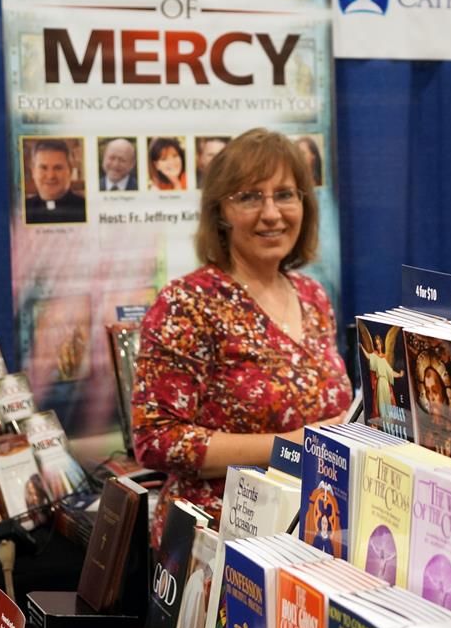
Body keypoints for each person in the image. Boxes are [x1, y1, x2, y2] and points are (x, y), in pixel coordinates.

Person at [132, 128, 351, 545]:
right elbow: (156, 439)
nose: (271, 213)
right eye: (250, 197)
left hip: (311, 530)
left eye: (285, 194)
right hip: (220, 538)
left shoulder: (313, 295)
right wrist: (288, 445)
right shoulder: (187, 302)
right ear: (220, 213)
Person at [25, 139, 86, 224]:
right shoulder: (22, 210)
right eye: (43, 168)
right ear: (33, 172)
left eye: (58, 168)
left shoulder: (86, 209)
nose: (51, 176)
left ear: (70, 171)